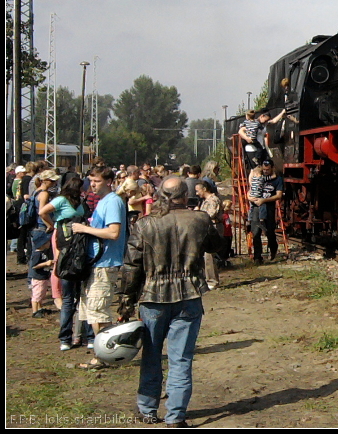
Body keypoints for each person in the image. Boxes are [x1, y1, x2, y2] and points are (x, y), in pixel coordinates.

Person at [119, 175, 222, 427]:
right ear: (185, 196)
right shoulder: (199, 219)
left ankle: (147, 410)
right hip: (189, 296)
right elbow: (216, 246)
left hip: (153, 299)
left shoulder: (144, 224)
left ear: (159, 196)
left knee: (151, 356)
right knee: (181, 359)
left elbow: (131, 268)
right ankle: (176, 417)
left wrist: (125, 302)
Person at [71, 165, 128, 370]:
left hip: (105, 264)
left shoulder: (112, 202)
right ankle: (103, 353)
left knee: (100, 312)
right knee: (93, 313)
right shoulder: (104, 202)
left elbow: (113, 232)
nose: (92, 185)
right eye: (91, 181)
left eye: (96, 181)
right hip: (97, 263)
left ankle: (108, 354)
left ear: (108, 182)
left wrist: (85, 228)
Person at [40, 177, 89, 351]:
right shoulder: (61, 200)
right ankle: (65, 338)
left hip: (80, 248)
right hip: (64, 246)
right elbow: (43, 212)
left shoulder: (80, 202)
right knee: (69, 296)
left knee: (83, 295)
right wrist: (52, 225)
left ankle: (86, 336)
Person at [248, 160, 283, 263]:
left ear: (272, 168)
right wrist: (249, 197)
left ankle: (273, 251)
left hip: (268, 208)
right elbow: (250, 190)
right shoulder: (258, 177)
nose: (265, 171)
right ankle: (257, 257)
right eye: (264, 169)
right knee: (256, 232)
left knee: (269, 232)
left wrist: (264, 200)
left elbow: (279, 195)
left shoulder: (277, 180)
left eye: (268, 169)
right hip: (256, 208)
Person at [195, 180, 222, 289]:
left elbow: (210, 215)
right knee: (205, 255)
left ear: (204, 189)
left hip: (213, 229)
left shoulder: (213, 200)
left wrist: (198, 213)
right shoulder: (205, 200)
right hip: (206, 229)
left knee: (209, 255)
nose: (197, 193)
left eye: (198, 191)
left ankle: (212, 281)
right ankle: (206, 279)